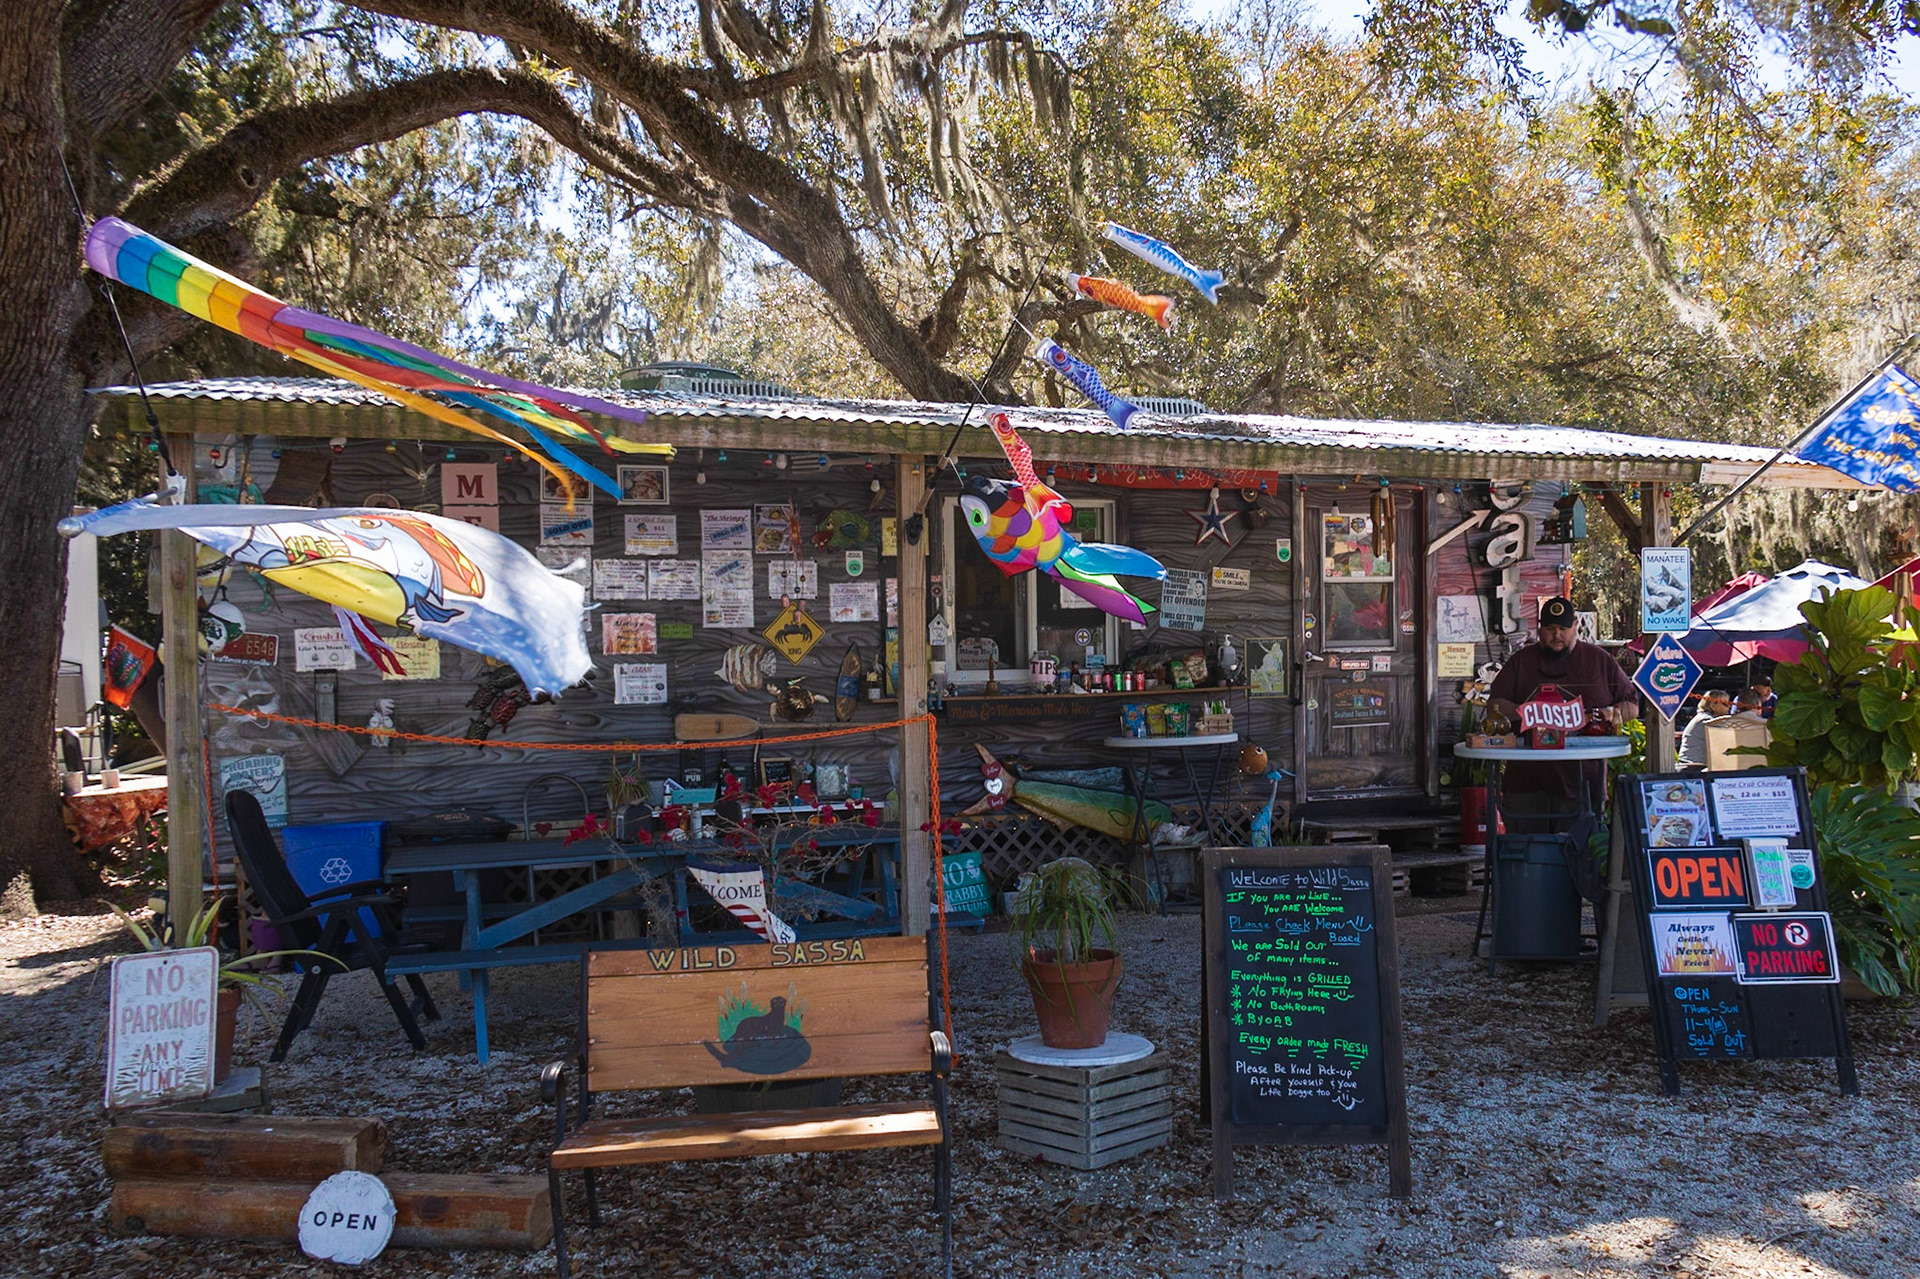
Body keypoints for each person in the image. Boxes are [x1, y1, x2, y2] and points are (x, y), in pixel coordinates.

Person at [1485, 596, 1642, 928]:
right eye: (1550, 629)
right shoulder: (1522, 661)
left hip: (1583, 783)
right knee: (1528, 860)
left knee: (1582, 860)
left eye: (1563, 629)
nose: (1556, 635)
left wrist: (1613, 713)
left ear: (1575, 629)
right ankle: (1527, 932)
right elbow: (1494, 704)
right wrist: (1526, 712)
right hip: (1527, 782)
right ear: (1540, 630)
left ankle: (1578, 932)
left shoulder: (1599, 661)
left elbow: (1632, 704)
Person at [1676, 689, 1733, 769]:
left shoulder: (1703, 717)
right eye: (1725, 704)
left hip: (1695, 767)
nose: (1729, 706)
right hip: (1693, 768)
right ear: (1713, 706)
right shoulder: (1707, 720)